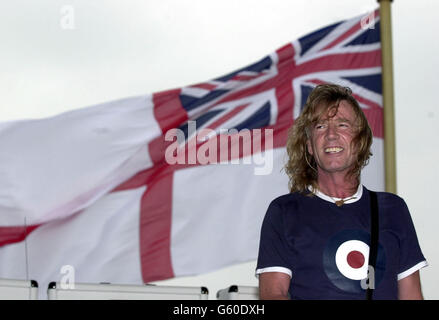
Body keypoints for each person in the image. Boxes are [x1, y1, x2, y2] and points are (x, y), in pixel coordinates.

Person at [256, 83, 427, 300]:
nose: (331, 135)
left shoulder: (393, 209)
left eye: (343, 125)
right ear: (309, 145)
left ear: (360, 140)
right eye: (320, 127)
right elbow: (273, 295)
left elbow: (412, 296)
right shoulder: (284, 211)